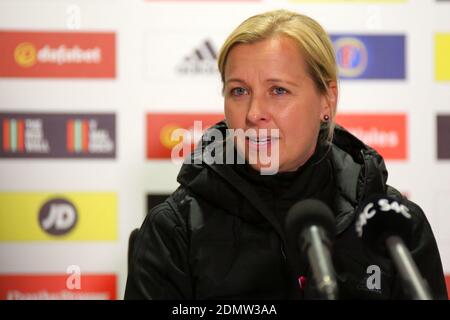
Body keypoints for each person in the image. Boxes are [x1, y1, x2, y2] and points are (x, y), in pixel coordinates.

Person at [124, 9, 447, 299]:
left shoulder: (393, 227)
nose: (254, 113)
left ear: (327, 100)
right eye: (239, 91)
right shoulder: (174, 229)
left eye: (278, 90)